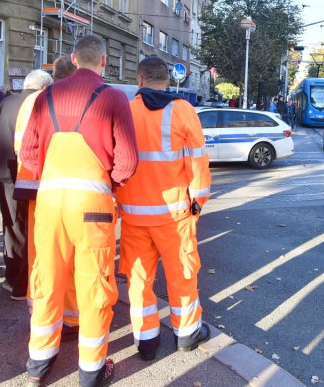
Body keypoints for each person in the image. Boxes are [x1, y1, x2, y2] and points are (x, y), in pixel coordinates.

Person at [20, 35, 138, 387]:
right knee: (94, 286)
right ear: (104, 61)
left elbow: (28, 154)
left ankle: (38, 366)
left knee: (47, 279)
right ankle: (91, 370)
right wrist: (107, 183)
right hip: (93, 208)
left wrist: (54, 175)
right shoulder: (115, 98)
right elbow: (128, 162)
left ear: (73, 59)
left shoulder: (45, 97)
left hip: (51, 204)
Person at [116, 56, 212, 363]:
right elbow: (197, 160)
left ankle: (146, 341)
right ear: (168, 81)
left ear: (139, 81)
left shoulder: (126, 111)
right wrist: (197, 202)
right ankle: (186, 335)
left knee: (139, 280)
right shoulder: (183, 111)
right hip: (174, 216)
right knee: (182, 275)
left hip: (133, 215)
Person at [14, 56, 80, 336]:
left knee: (41, 255)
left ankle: (39, 312)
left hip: (35, 186)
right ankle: (70, 315)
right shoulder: (67, 100)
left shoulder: (32, 102)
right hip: (64, 188)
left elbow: (24, 146)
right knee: (71, 255)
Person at [0, 70, 53, 301]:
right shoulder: (44, 103)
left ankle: (13, 278)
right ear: (44, 88)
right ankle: (27, 281)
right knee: (34, 228)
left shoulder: (6, 102)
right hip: (34, 175)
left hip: (5, 173)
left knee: (12, 226)